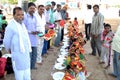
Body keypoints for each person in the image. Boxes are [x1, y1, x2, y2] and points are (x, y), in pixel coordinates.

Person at [3, 7, 31, 80]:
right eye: (18, 15)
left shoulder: (22, 25)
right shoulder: (10, 27)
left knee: (27, 74)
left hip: (25, 54)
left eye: (22, 15)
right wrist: (9, 49)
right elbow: (6, 42)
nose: (21, 17)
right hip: (17, 55)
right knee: (19, 75)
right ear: (13, 15)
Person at [23, 2, 38, 69]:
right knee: (29, 55)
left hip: (34, 38)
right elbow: (23, 29)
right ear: (28, 8)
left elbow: (35, 26)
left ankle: (32, 66)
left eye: (33, 8)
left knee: (34, 54)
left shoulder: (35, 17)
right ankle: (28, 68)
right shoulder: (25, 17)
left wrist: (37, 31)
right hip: (28, 38)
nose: (32, 10)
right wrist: (31, 32)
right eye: (31, 8)